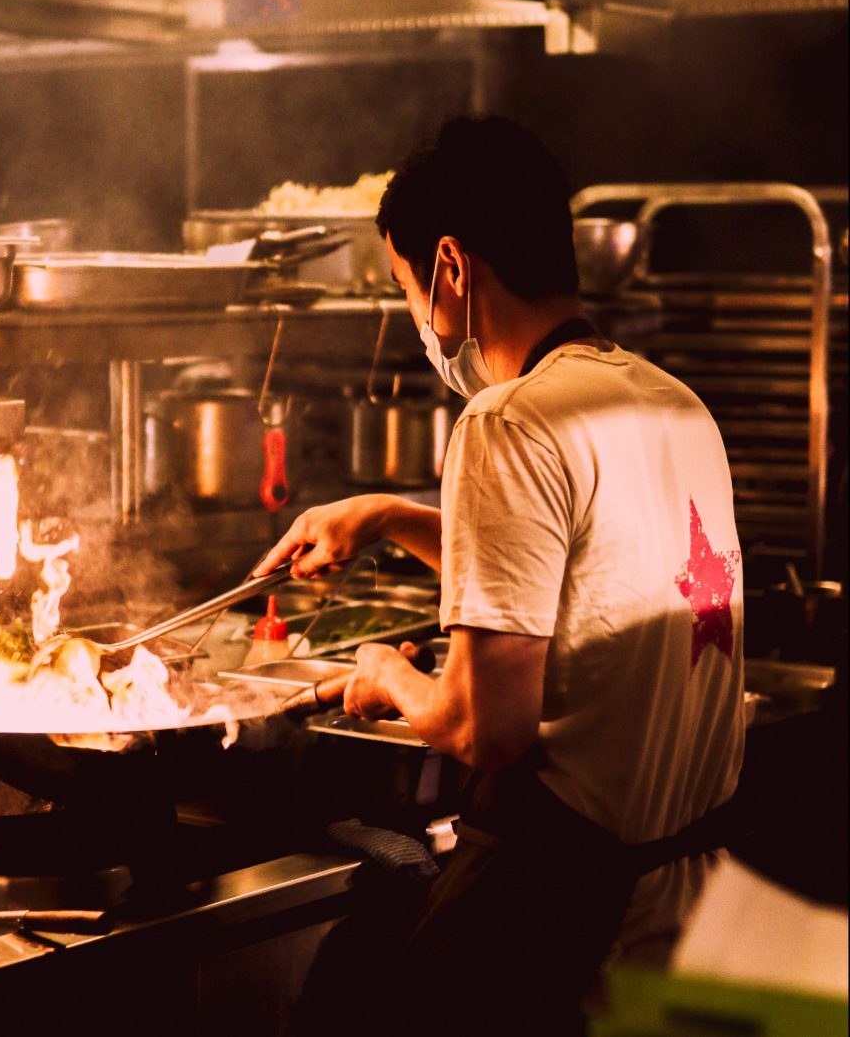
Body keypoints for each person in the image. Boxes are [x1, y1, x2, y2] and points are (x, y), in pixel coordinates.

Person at [257, 116, 745, 1036]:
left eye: (405, 288)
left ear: (450, 267)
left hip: (563, 918)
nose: (418, 320)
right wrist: (393, 517)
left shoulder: (505, 422)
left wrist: (389, 676)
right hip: (688, 905)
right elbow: (583, 572)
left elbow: (490, 731)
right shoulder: (673, 405)